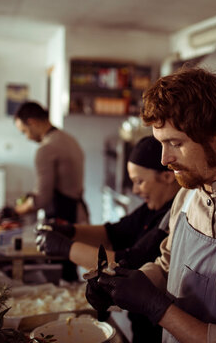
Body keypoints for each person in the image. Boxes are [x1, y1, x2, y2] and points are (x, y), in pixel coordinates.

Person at [88, 67, 216, 343]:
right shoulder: (189, 193)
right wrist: (122, 288)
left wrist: (157, 308)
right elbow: (167, 266)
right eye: (161, 144)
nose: (164, 159)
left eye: (175, 143)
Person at [36, 135, 181, 343]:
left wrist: (65, 247)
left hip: (158, 331)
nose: (135, 190)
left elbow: (129, 261)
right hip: (140, 324)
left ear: (167, 176)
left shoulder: (171, 215)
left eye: (140, 181)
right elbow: (113, 232)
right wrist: (70, 230)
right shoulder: (152, 207)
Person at [14, 101, 89, 281]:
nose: (27, 137)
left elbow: (42, 198)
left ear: (32, 122)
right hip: (79, 212)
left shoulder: (46, 149)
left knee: (60, 276)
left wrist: (16, 211)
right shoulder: (69, 139)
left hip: (62, 218)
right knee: (71, 270)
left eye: (24, 131)